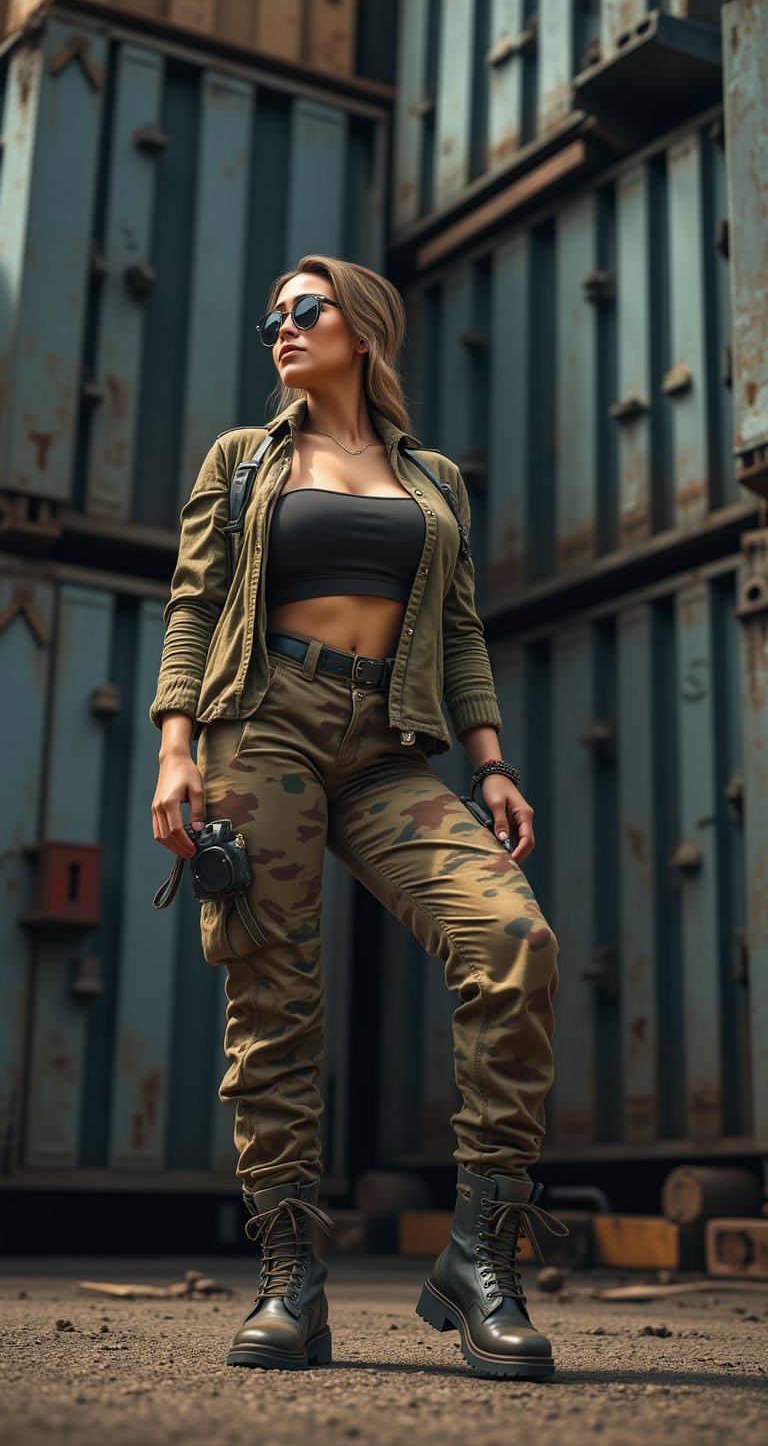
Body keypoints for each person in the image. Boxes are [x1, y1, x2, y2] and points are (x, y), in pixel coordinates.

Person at [149, 254, 568, 1380]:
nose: (281, 326)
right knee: (273, 995)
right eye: (271, 314)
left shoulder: (433, 480)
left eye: (305, 308)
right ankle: (291, 1282)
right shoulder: (243, 461)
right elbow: (193, 604)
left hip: (388, 743)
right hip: (265, 723)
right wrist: (176, 750)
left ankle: (479, 1256)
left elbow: (464, 628)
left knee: (512, 942)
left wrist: (490, 767)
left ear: (364, 328)